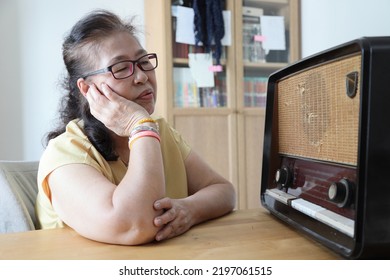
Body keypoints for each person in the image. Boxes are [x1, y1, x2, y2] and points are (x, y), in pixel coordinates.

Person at [35, 9, 236, 245]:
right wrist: (139, 126)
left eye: (143, 62)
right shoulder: (64, 153)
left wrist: (189, 209)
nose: (141, 76)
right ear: (88, 90)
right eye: (120, 68)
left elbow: (224, 191)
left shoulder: (160, 132)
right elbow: (134, 226)